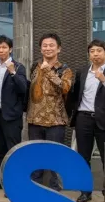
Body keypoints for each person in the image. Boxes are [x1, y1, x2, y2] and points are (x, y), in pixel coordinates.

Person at [70, 39, 105, 202]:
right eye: (92, 51)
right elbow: (75, 94)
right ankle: (85, 191)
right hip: (83, 119)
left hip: (104, 121)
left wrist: (104, 80)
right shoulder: (82, 72)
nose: (95, 54)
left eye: (98, 51)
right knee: (83, 156)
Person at [26, 33, 74, 191]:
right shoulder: (35, 66)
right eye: (44, 45)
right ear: (40, 48)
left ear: (59, 48)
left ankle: (56, 189)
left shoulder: (65, 69)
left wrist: (49, 72)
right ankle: (34, 187)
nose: (48, 48)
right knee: (35, 155)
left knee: (55, 156)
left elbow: (65, 88)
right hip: (34, 120)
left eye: (51, 45)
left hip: (56, 121)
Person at [0, 35, 28, 192]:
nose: (1, 50)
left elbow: (23, 89)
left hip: (12, 116)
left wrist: (13, 73)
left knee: (13, 150)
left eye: (4, 47)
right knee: (1, 150)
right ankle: (2, 180)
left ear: (10, 49)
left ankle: (14, 183)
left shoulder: (18, 67)